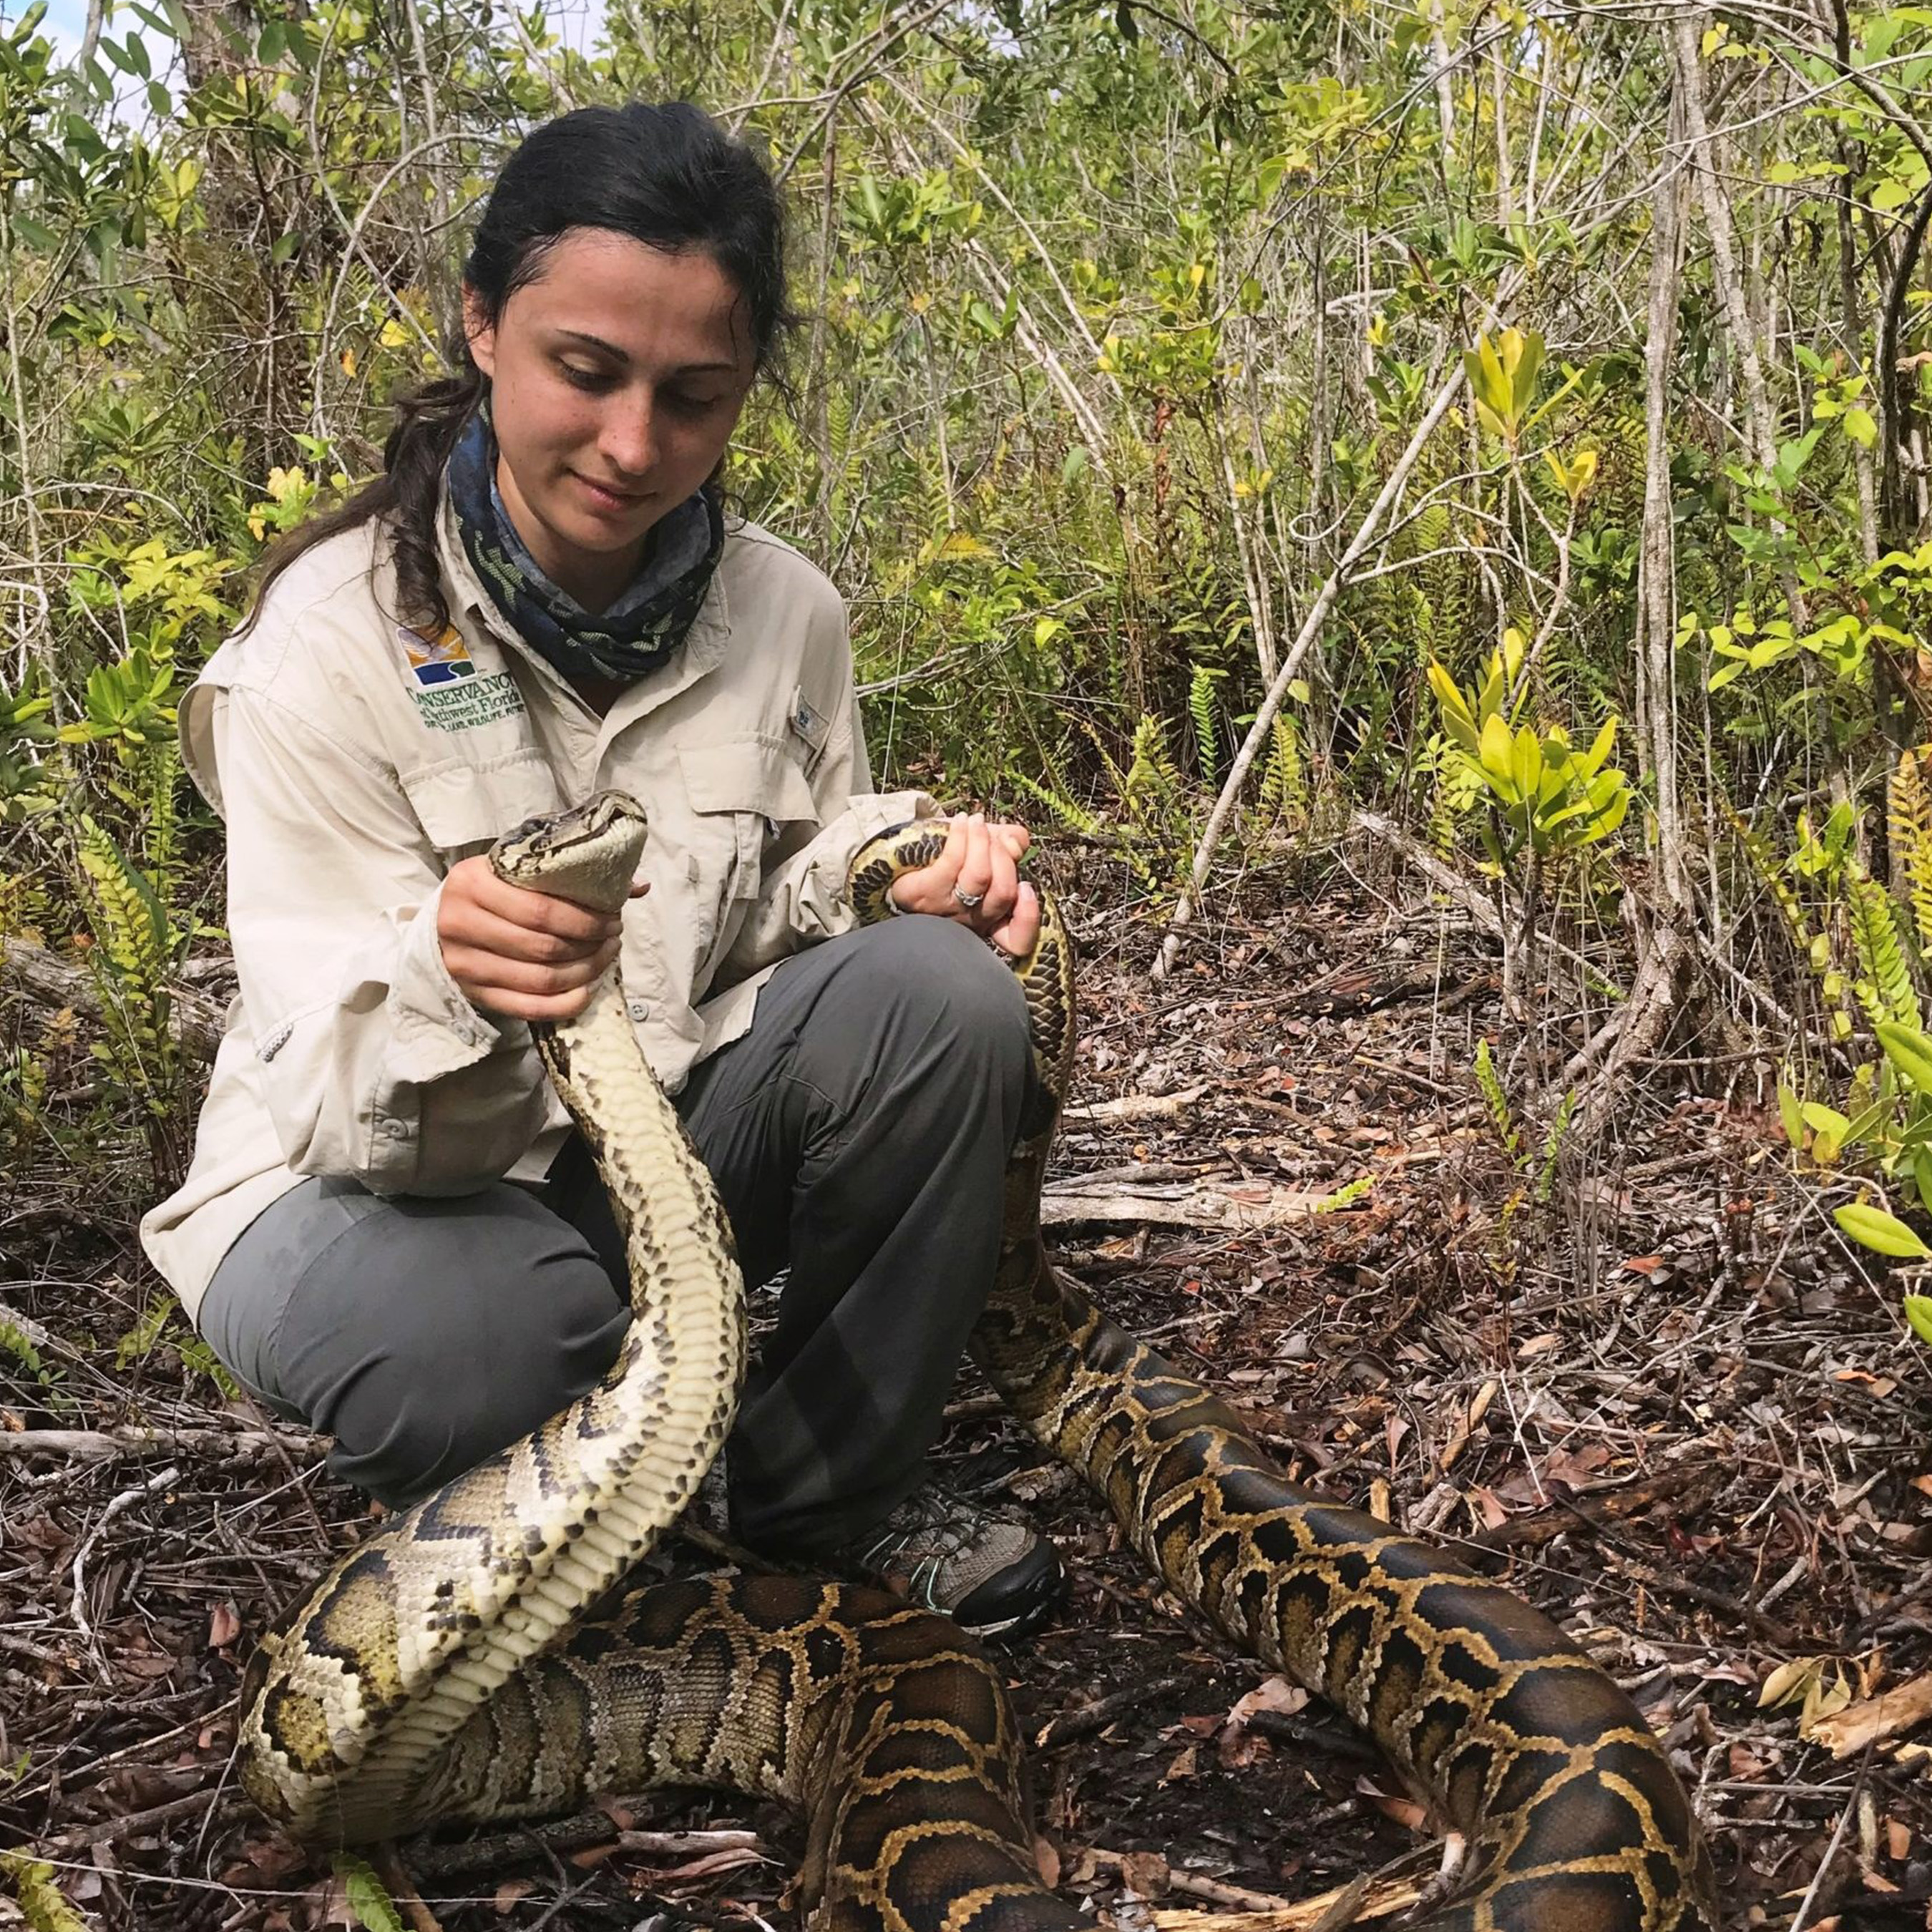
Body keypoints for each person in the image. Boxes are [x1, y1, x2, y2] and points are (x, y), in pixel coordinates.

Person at [140, 102, 1063, 1639]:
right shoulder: (321, 644)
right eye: (587, 372)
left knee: (945, 999)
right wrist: (451, 968)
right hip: (348, 1186)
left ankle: (817, 1501)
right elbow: (325, 1090)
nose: (635, 448)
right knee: (496, 1342)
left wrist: (879, 883)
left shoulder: (786, 616)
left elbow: (758, 907)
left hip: (641, 1130)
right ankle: (595, 1496)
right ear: (484, 322)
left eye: (695, 398)